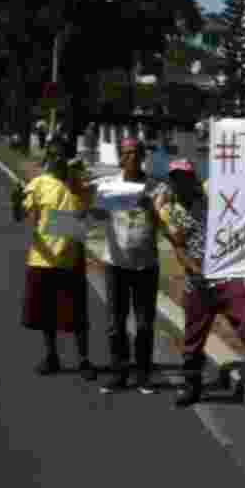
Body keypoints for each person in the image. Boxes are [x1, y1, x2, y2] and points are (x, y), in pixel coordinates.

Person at [160, 159, 245, 407]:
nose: (181, 183)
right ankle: (191, 386)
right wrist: (195, 271)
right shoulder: (172, 211)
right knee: (193, 338)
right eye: (176, 179)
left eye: (185, 178)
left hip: (226, 276)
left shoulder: (212, 198)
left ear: (194, 179)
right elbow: (179, 247)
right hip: (198, 284)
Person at [12, 140, 97, 381]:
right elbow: (20, 215)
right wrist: (15, 201)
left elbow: (87, 215)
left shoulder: (78, 183)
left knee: (77, 315)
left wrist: (79, 183)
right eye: (54, 155)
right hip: (42, 259)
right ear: (48, 157)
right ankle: (52, 357)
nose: (57, 159)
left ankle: (84, 360)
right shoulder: (38, 184)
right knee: (45, 314)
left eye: (62, 155)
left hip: (71, 258)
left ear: (68, 158)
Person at [92, 138, 164, 394]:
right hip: (116, 265)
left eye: (135, 153)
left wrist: (151, 209)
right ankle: (119, 373)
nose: (131, 157)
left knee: (144, 323)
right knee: (116, 322)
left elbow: (164, 225)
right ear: (120, 158)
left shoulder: (156, 187)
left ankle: (143, 374)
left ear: (142, 156)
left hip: (146, 265)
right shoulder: (110, 185)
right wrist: (93, 204)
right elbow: (97, 216)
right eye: (126, 153)